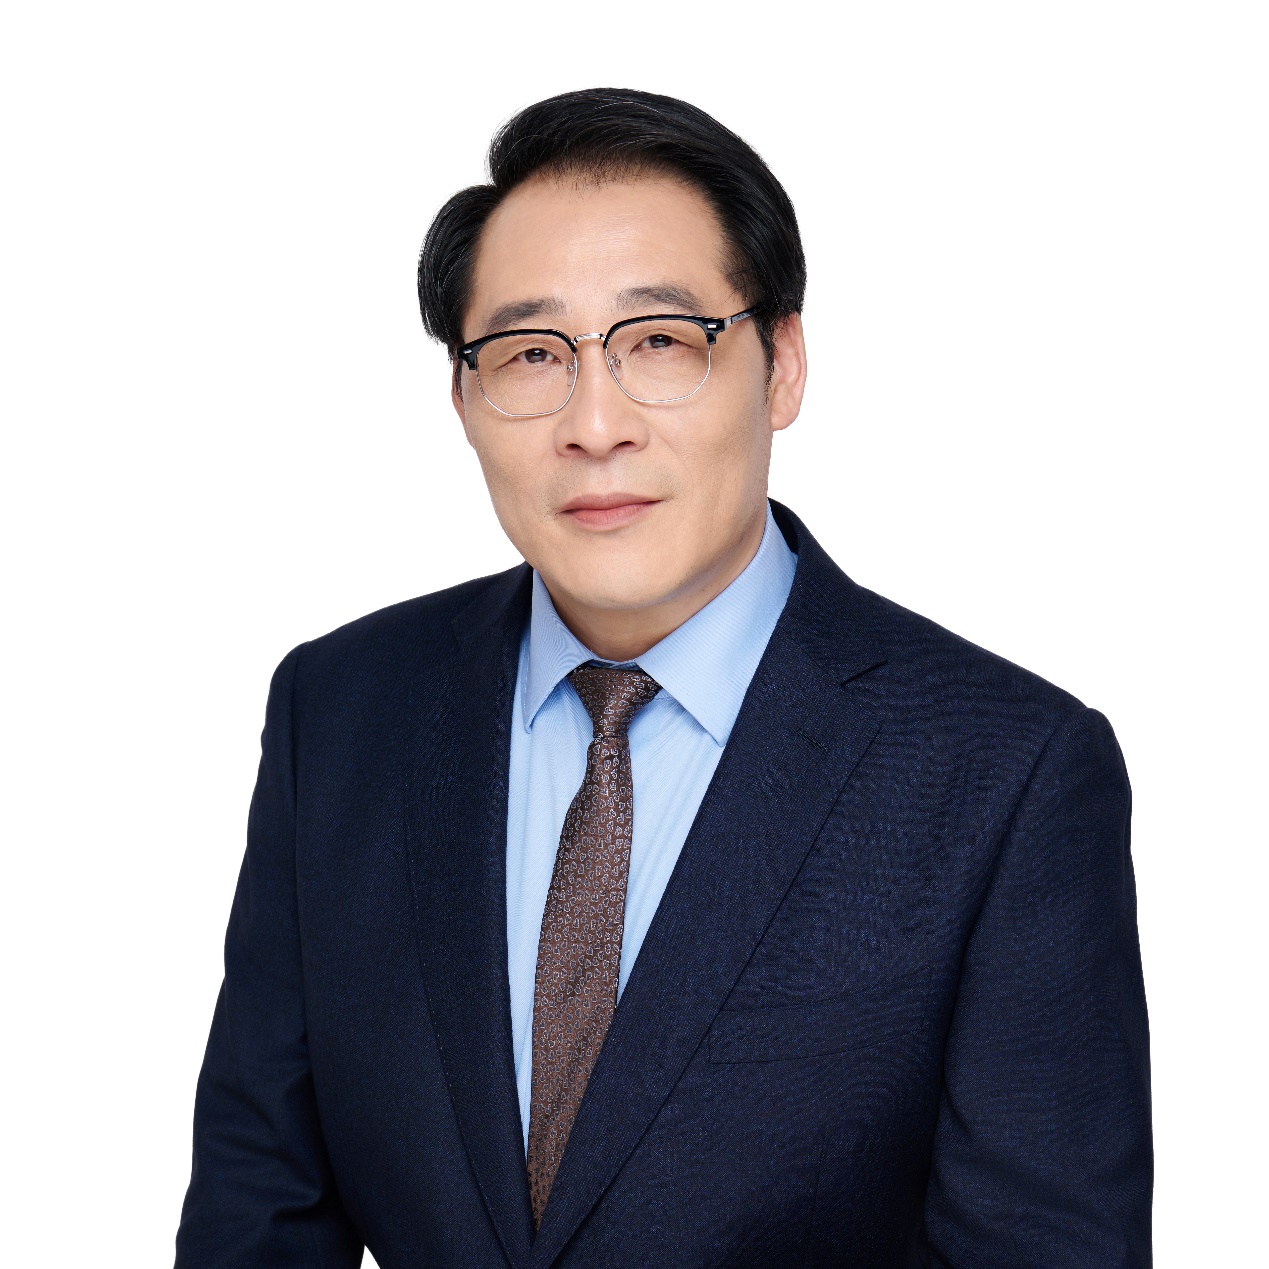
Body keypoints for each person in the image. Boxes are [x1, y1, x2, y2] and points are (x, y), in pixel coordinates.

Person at [175, 88, 1152, 1267]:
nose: (596, 424)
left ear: (781, 365)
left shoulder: (1005, 774)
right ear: (463, 399)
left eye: (660, 343)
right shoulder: (341, 715)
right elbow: (257, 1215)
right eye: (531, 355)